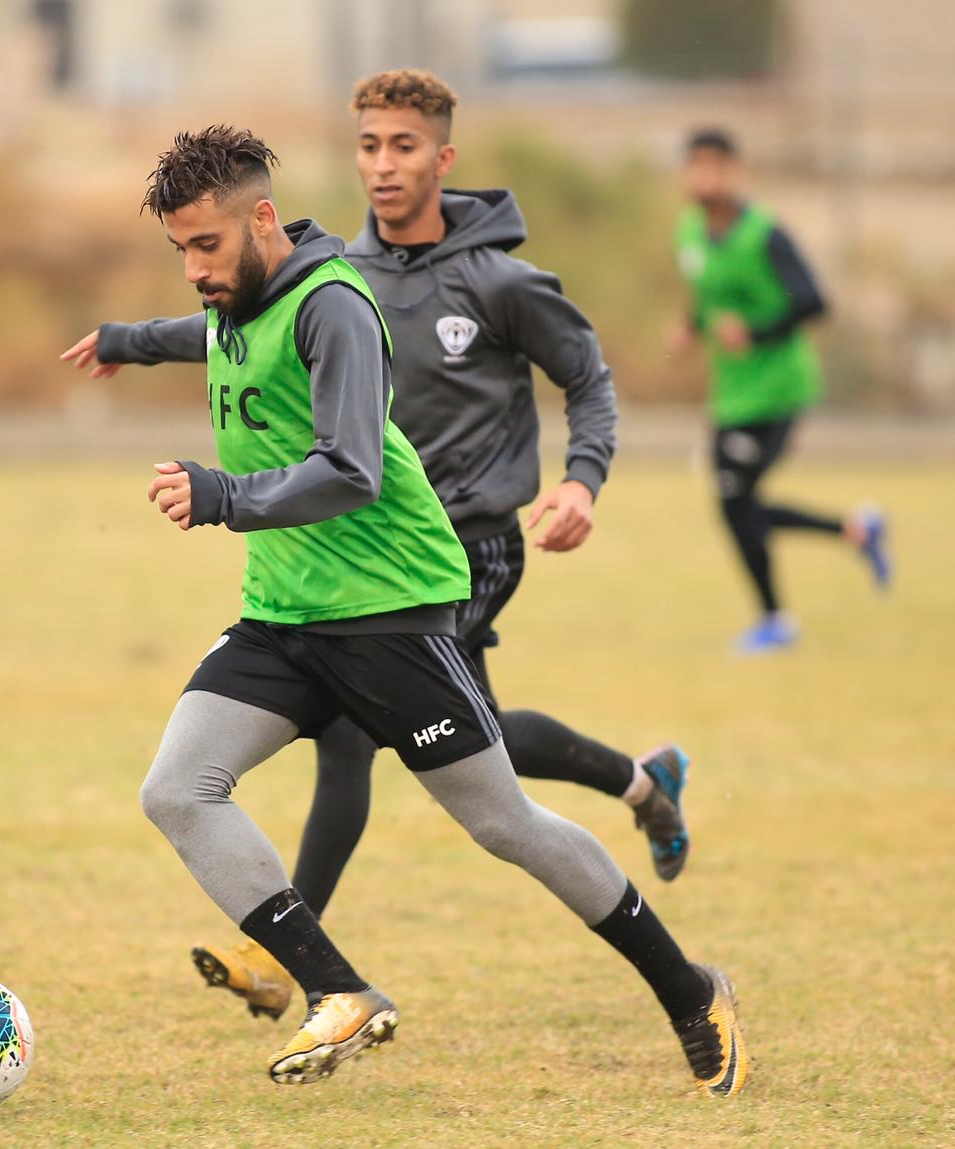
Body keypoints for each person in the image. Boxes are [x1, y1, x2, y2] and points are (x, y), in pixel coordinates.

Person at [61, 124, 747, 1096]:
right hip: (285, 612)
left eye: (204, 246)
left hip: (387, 612)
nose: (193, 270)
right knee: (177, 788)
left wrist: (222, 497)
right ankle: (337, 994)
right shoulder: (240, 296)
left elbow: (350, 469)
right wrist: (132, 342)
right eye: (178, 251)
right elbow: (213, 335)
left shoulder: (331, 306)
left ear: (261, 219)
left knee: (505, 823)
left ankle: (689, 989)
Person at [190, 69, 690, 1028]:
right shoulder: (341, 280)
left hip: (469, 545)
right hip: (362, 549)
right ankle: (641, 777)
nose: (382, 165)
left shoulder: (499, 281)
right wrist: (133, 339)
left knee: (361, 741)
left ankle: (285, 960)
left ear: (443, 158)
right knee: (466, 745)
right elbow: (224, 325)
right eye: (369, 146)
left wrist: (582, 479)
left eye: (403, 146)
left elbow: (589, 380)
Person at [673, 127, 891, 654]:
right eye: (695, 165)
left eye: (714, 165)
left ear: (734, 172)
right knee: (737, 502)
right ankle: (856, 531)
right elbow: (709, 298)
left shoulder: (765, 233)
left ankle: (776, 620)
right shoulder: (690, 233)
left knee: (734, 498)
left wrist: (756, 332)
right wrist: (692, 326)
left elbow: (815, 302)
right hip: (732, 391)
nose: (704, 176)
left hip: (779, 388)